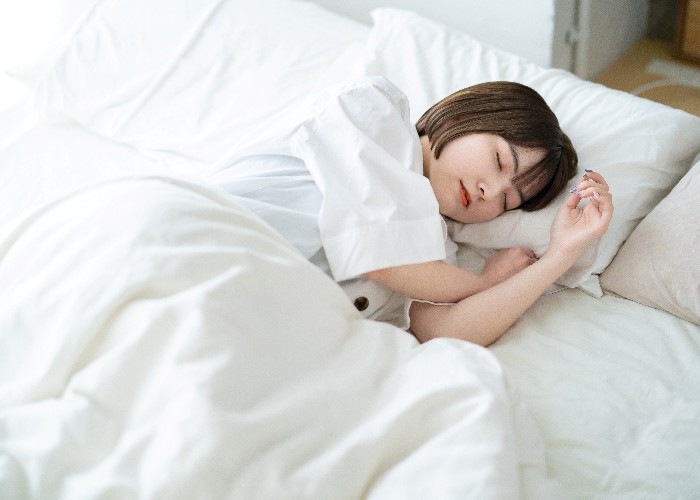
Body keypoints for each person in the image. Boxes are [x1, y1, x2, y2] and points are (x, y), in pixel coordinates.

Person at [209, 76, 612, 346]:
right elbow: (381, 260)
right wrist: (485, 282)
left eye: (507, 201)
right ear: (462, 117)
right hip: (213, 245)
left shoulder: (438, 258)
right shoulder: (373, 111)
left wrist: (559, 257)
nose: (490, 192)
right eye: (499, 161)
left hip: (248, 326)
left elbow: (449, 332)